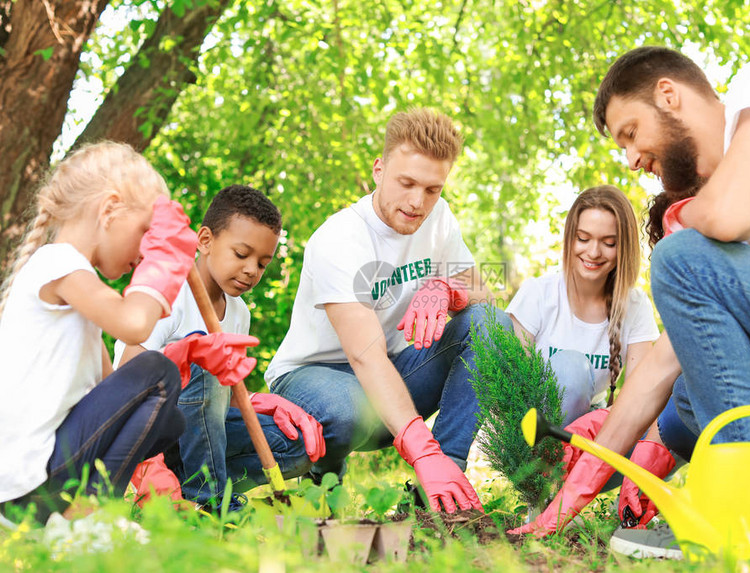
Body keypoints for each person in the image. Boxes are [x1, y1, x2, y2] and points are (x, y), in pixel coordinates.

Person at [515, 46, 750, 553]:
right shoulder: (737, 253)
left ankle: (739, 516)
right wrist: (569, 499)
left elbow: (732, 215)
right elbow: (659, 367)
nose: (631, 161)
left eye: (630, 134)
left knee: (678, 257)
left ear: (669, 95)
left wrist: (686, 219)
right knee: (684, 407)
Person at [264, 108, 508, 513]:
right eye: (407, 183)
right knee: (346, 407)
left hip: (394, 370)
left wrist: (446, 289)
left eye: (432, 189)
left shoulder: (440, 219)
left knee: (490, 324)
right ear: (379, 170)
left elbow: (484, 293)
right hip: (315, 378)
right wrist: (421, 450)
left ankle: (442, 493)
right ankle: (321, 485)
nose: (418, 202)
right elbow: (363, 354)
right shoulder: (339, 238)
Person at [0, 141, 199, 524]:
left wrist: (188, 352)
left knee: (170, 418)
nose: (146, 251)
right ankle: (90, 514)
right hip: (24, 483)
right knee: (159, 374)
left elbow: (118, 388)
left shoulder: (77, 284)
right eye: (146, 232)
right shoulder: (59, 262)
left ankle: (80, 512)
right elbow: (135, 325)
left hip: (39, 479)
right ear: (109, 209)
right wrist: (163, 263)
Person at [114, 185, 324, 512]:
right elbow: (126, 379)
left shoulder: (239, 313)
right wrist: (147, 462)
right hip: (146, 435)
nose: (252, 270)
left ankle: (192, 491)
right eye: (241, 254)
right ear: (205, 241)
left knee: (294, 442)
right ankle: (211, 505)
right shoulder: (169, 293)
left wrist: (255, 401)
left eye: (262, 263)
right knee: (204, 358)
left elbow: (218, 398)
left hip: (198, 438)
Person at [506, 185, 660, 426]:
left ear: (624, 248)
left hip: (596, 427)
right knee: (571, 368)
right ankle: (551, 460)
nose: (594, 252)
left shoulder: (636, 305)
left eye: (609, 243)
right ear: (570, 238)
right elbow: (509, 391)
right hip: (534, 426)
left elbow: (640, 397)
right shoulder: (538, 294)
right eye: (583, 239)